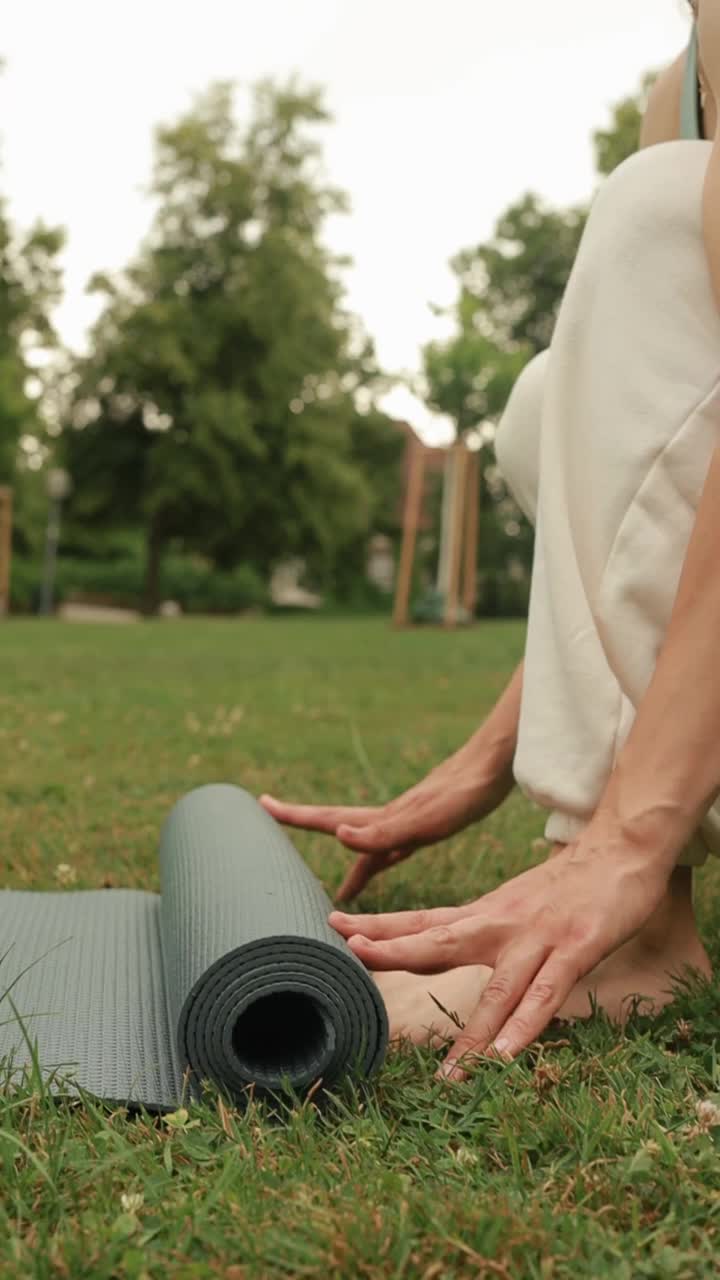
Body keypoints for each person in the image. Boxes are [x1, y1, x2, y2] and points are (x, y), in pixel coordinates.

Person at [262, 2, 720, 1079]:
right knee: (549, 395)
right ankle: (633, 899)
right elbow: (660, 468)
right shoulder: (683, 81)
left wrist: (627, 840)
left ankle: (637, 934)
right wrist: (487, 758)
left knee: (657, 212)